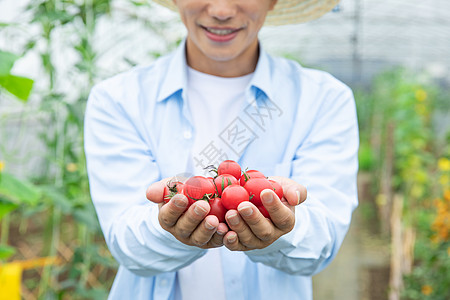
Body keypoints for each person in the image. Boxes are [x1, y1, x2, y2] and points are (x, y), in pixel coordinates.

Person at [84, 0, 359, 299]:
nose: (221, 10)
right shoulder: (119, 99)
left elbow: (322, 243)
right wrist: (165, 226)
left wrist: (284, 227)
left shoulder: (322, 100)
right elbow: (127, 245)